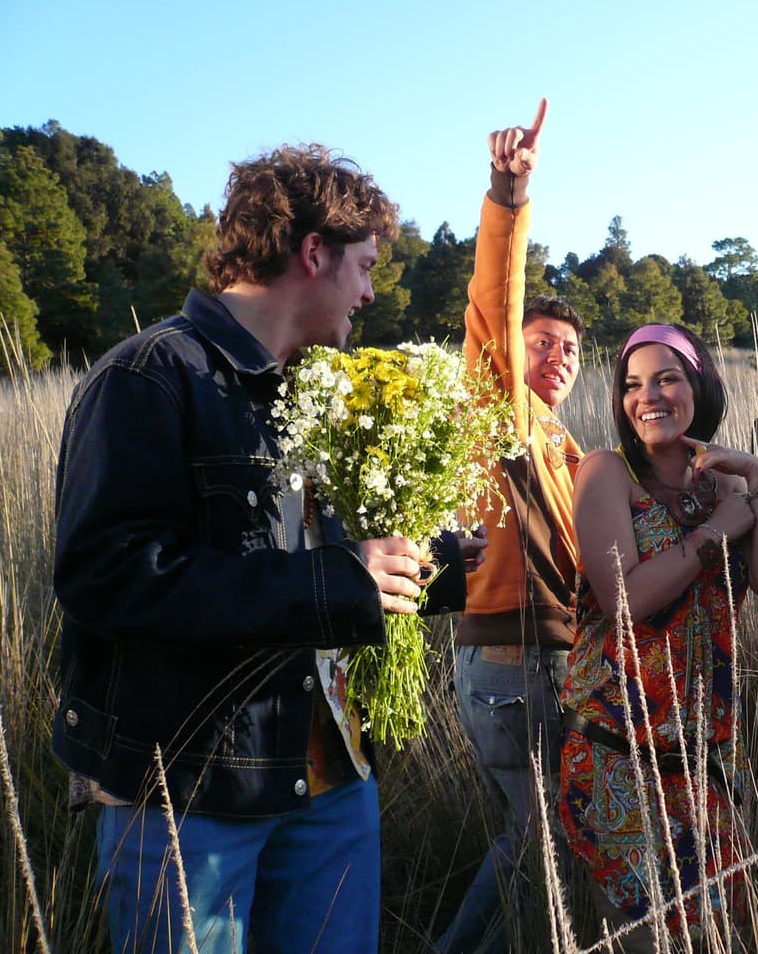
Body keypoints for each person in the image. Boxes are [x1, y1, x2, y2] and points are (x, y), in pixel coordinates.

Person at [51, 145, 486, 953]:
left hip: (332, 780)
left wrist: (440, 565)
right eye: (365, 267)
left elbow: (330, 558)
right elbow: (107, 578)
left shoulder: (316, 389)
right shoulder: (149, 377)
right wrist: (335, 584)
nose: (369, 292)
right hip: (192, 791)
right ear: (314, 253)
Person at [560, 323, 758, 950]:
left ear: (699, 385)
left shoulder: (729, 485)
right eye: (632, 384)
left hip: (704, 764)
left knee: (724, 938)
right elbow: (626, 601)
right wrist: (715, 532)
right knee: (647, 943)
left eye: (666, 378)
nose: (648, 396)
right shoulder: (606, 472)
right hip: (618, 759)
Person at [435, 100, 586, 954]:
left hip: (543, 663)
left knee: (543, 843)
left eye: (571, 349)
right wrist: (508, 196)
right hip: (510, 661)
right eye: (542, 342)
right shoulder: (501, 412)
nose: (558, 357)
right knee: (537, 839)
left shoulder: (563, 442)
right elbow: (495, 300)